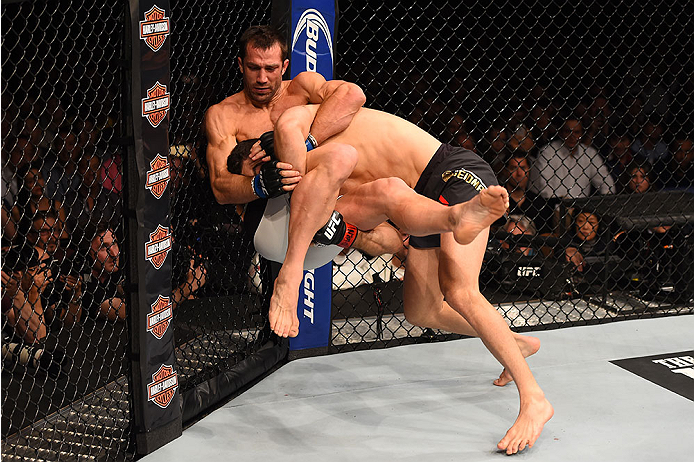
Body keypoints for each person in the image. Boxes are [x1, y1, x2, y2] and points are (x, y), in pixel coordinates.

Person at [233, 104, 552, 455]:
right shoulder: (323, 185)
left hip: (452, 173)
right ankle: (513, 344)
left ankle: (534, 399)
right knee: (422, 311)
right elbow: (382, 235)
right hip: (422, 202)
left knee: (460, 291)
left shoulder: (303, 133)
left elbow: (334, 105)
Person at [203, 25, 403, 258]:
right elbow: (220, 187)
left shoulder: (303, 89)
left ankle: (341, 234)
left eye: (271, 68)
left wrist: (305, 143)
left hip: (325, 201)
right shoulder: (223, 115)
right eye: (253, 68)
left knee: (392, 235)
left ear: (284, 67)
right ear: (240, 65)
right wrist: (259, 184)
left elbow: (353, 95)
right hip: (274, 217)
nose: (262, 78)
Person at [80, 222, 206, 321]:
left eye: (114, 244)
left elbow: (152, 296)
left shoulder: (114, 271)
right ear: (89, 254)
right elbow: (147, 314)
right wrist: (189, 286)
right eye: (104, 248)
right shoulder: (87, 284)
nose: (114, 253)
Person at [531, 113, 616, 199]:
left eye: (576, 132)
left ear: (582, 134)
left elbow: (606, 182)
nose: (572, 136)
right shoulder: (548, 152)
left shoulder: (589, 153)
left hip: (581, 209)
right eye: (568, 132)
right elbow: (544, 186)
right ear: (561, 132)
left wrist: (606, 200)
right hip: (554, 206)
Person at [497, 151, 555, 235]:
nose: (519, 173)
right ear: (506, 171)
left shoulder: (538, 203)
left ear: (529, 170)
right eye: (514, 168)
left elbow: (545, 235)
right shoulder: (497, 200)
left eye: (523, 168)